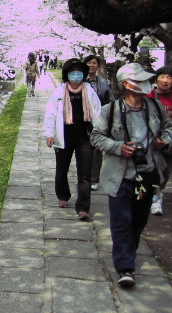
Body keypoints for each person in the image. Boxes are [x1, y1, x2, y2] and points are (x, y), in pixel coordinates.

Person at [90, 63, 172, 287]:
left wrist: (165, 140)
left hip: (146, 175)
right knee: (121, 221)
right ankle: (125, 267)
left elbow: (169, 128)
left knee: (138, 221)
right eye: (140, 80)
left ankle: (129, 253)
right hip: (119, 177)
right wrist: (118, 147)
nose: (146, 84)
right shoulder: (110, 111)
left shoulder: (155, 107)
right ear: (127, 84)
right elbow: (96, 137)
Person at [44, 58, 102, 221]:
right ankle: (63, 196)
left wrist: (99, 134)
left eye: (79, 73)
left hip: (84, 137)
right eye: (72, 72)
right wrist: (49, 134)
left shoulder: (89, 91)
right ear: (67, 74)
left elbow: (97, 114)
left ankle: (83, 207)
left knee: (85, 173)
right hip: (64, 136)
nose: (76, 76)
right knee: (61, 170)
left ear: (83, 74)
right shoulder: (59, 92)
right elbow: (51, 114)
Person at [84, 54, 115, 191]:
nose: (91, 65)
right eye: (89, 63)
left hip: (99, 120)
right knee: (84, 150)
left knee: (97, 150)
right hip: (83, 121)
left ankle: (93, 179)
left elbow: (110, 101)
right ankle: (84, 176)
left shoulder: (102, 82)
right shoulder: (80, 81)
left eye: (94, 63)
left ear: (98, 66)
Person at [147, 66, 172, 215]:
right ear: (156, 79)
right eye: (162, 77)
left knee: (167, 170)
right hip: (156, 139)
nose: (165, 80)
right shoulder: (149, 97)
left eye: (169, 77)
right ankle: (156, 198)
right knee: (157, 169)